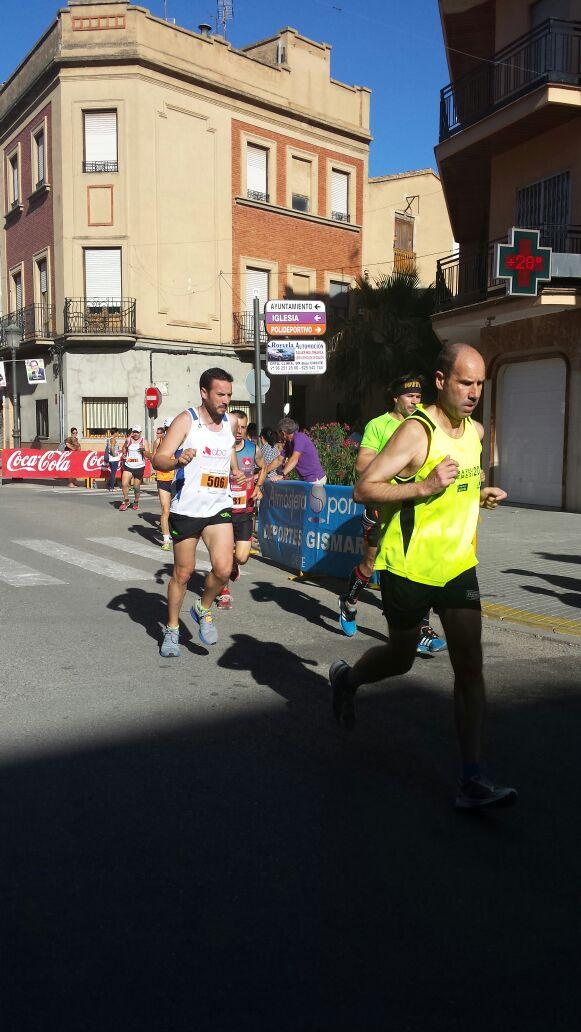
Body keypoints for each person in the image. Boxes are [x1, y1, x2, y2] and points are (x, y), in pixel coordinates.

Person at [330, 343, 517, 811]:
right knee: (401, 656)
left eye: (479, 384)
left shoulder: (474, 432)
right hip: (409, 566)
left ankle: (471, 778)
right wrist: (425, 485)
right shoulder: (418, 431)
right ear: (441, 380)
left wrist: (479, 496)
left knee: (470, 669)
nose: (474, 393)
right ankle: (348, 680)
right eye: (464, 383)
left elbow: (462, 488)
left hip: (457, 566)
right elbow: (363, 488)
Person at [339, 376, 447, 657]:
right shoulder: (379, 425)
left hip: (416, 508)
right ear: (396, 398)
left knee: (419, 566)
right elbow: (362, 464)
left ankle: (421, 629)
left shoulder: (426, 423)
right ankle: (349, 602)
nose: (415, 401)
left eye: (418, 397)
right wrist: (395, 463)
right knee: (371, 562)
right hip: (382, 506)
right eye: (409, 396)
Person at [153, 367, 239, 654]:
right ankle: (172, 630)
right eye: (220, 394)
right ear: (204, 393)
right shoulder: (186, 420)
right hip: (188, 509)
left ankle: (202, 608)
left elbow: (230, 456)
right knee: (183, 573)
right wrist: (178, 461)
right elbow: (159, 459)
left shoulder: (230, 423)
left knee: (224, 568)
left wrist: (237, 473)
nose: (225, 400)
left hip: (218, 506)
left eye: (229, 394)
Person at [216, 410, 267, 609]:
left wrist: (258, 486)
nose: (239, 431)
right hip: (222, 511)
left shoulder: (253, 449)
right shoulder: (221, 449)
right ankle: (224, 592)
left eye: (243, 427)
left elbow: (263, 466)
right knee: (224, 555)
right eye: (236, 427)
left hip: (244, 511)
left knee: (242, 557)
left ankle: (234, 565)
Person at [277, 417, 326, 484]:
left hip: (315, 479)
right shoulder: (289, 442)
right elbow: (278, 460)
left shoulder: (299, 437)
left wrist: (281, 475)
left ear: (282, 433)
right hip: (305, 480)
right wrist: (262, 473)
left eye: (278, 433)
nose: (278, 436)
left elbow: (294, 459)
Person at [153, 418, 175, 550]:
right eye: (167, 429)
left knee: (176, 510)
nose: (168, 431)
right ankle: (166, 539)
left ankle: (177, 533)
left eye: (170, 428)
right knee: (165, 509)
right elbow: (154, 459)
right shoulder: (158, 442)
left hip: (175, 479)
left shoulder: (180, 441)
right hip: (162, 478)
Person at [119, 426, 150, 511]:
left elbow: (148, 454)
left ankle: (136, 501)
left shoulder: (144, 441)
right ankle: (126, 501)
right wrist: (124, 454)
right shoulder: (128, 439)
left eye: (137, 432)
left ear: (140, 432)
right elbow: (124, 447)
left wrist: (143, 449)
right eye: (134, 432)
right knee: (124, 484)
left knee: (136, 487)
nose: (135, 434)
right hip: (128, 465)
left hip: (139, 466)